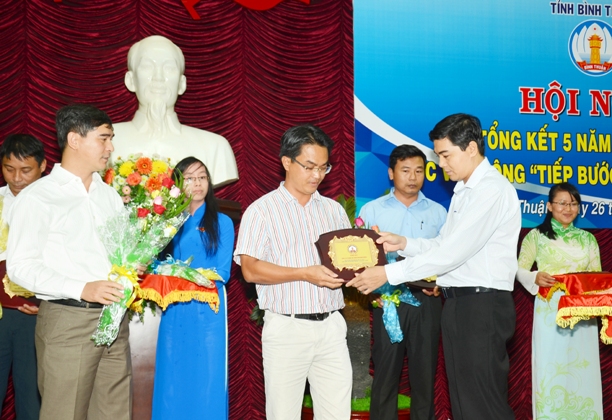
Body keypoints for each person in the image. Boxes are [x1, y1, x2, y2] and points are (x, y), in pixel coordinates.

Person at [348, 113, 521, 420]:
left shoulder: (490, 190)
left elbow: (452, 252)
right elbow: (443, 244)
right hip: (459, 304)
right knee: (465, 404)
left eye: (445, 155)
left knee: (483, 405)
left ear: (470, 148)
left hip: (481, 305)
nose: (440, 164)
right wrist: (403, 243)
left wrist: (388, 273)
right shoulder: (464, 191)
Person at [6, 104, 131, 420]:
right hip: (68, 320)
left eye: (111, 139)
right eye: (103, 138)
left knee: (114, 413)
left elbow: (118, 255)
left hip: (115, 318)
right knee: (65, 413)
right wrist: (81, 288)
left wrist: (130, 267)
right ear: (74, 140)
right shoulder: (38, 197)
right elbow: (20, 266)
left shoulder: (110, 196)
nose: (110, 147)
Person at [234, 124, 352, 420]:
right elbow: (250, 270)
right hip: (288, 327)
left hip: (332, 327)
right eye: (309, 166)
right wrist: (304, 273)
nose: (317, 175)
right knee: (283, 414)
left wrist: (367, 253)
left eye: (324, 167)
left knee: (337, 414)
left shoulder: (334, 210)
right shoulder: (261, 211)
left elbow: (345, 263)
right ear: (287, 161)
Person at [358, 144, 446, 420]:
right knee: (385, 374)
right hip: (387, 300)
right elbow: (359, 257)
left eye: (419, 171)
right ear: (391, 173)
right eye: (405, 170)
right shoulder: (372, 210)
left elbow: (448, 256)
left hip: (427, 300)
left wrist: (441, 282)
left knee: (424, 376)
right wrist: (371, 294)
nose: (413, 177)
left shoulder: (439, 213)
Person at [152, 157, 234, 419]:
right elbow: (153, 264)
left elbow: (222, 272)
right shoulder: (165, 222)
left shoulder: (222, 222)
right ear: (177, 184)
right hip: (174, 307)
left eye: (202, 177)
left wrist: (179, 272)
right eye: (189, 178)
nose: (197, 183)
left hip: (208, 309)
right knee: (172, 375)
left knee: (207, 377)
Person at [516, 183, 602, 419]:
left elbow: (597, 278)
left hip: (582, 314)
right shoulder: (536, 236)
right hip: (550, 311)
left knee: (583, 369)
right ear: (549, 206)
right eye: (562, 203)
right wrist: (535, 276)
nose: (568, 208)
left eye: (573, 204)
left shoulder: (588, 239)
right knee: (550, 366)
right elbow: (518, 269)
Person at [112, 35, 238, 188]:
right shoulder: (106, 143)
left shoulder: (215, 148)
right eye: (147, 67)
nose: (158, 77)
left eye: (169, 68)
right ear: (131, 80)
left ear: (181, 84)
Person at [0, 134, 46, 419]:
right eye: (9, 169)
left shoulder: (57, 205)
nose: (16, 178)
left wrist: (50, 303)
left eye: (25, 170)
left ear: (43, 165)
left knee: (32, 395)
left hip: (37, 313)